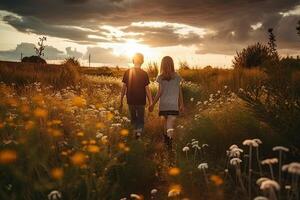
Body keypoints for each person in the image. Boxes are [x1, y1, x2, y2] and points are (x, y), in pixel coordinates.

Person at [149, 56, 184, 150]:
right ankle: (169, 145)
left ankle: (168, 144)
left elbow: (159, 93)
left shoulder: (161, 77)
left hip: (163, 105)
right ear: (172, 64)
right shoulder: (177, 76)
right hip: (173, 105)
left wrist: (153, 104)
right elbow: (180, 91)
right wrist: (181, 104)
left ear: (162, 65)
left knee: (166, 125)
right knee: (169, 125)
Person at [120, 53, 153, 138]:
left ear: (133, 60)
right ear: (142, 61)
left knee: (133, 119)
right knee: (140, 120)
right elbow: (147, 89)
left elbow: (123, 88)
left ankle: (135, 135)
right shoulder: (144, 74)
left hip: (130, 100)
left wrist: (121, 101)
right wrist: (151, 102)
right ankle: (138, 135)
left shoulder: (127, 72)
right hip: (141, 101)